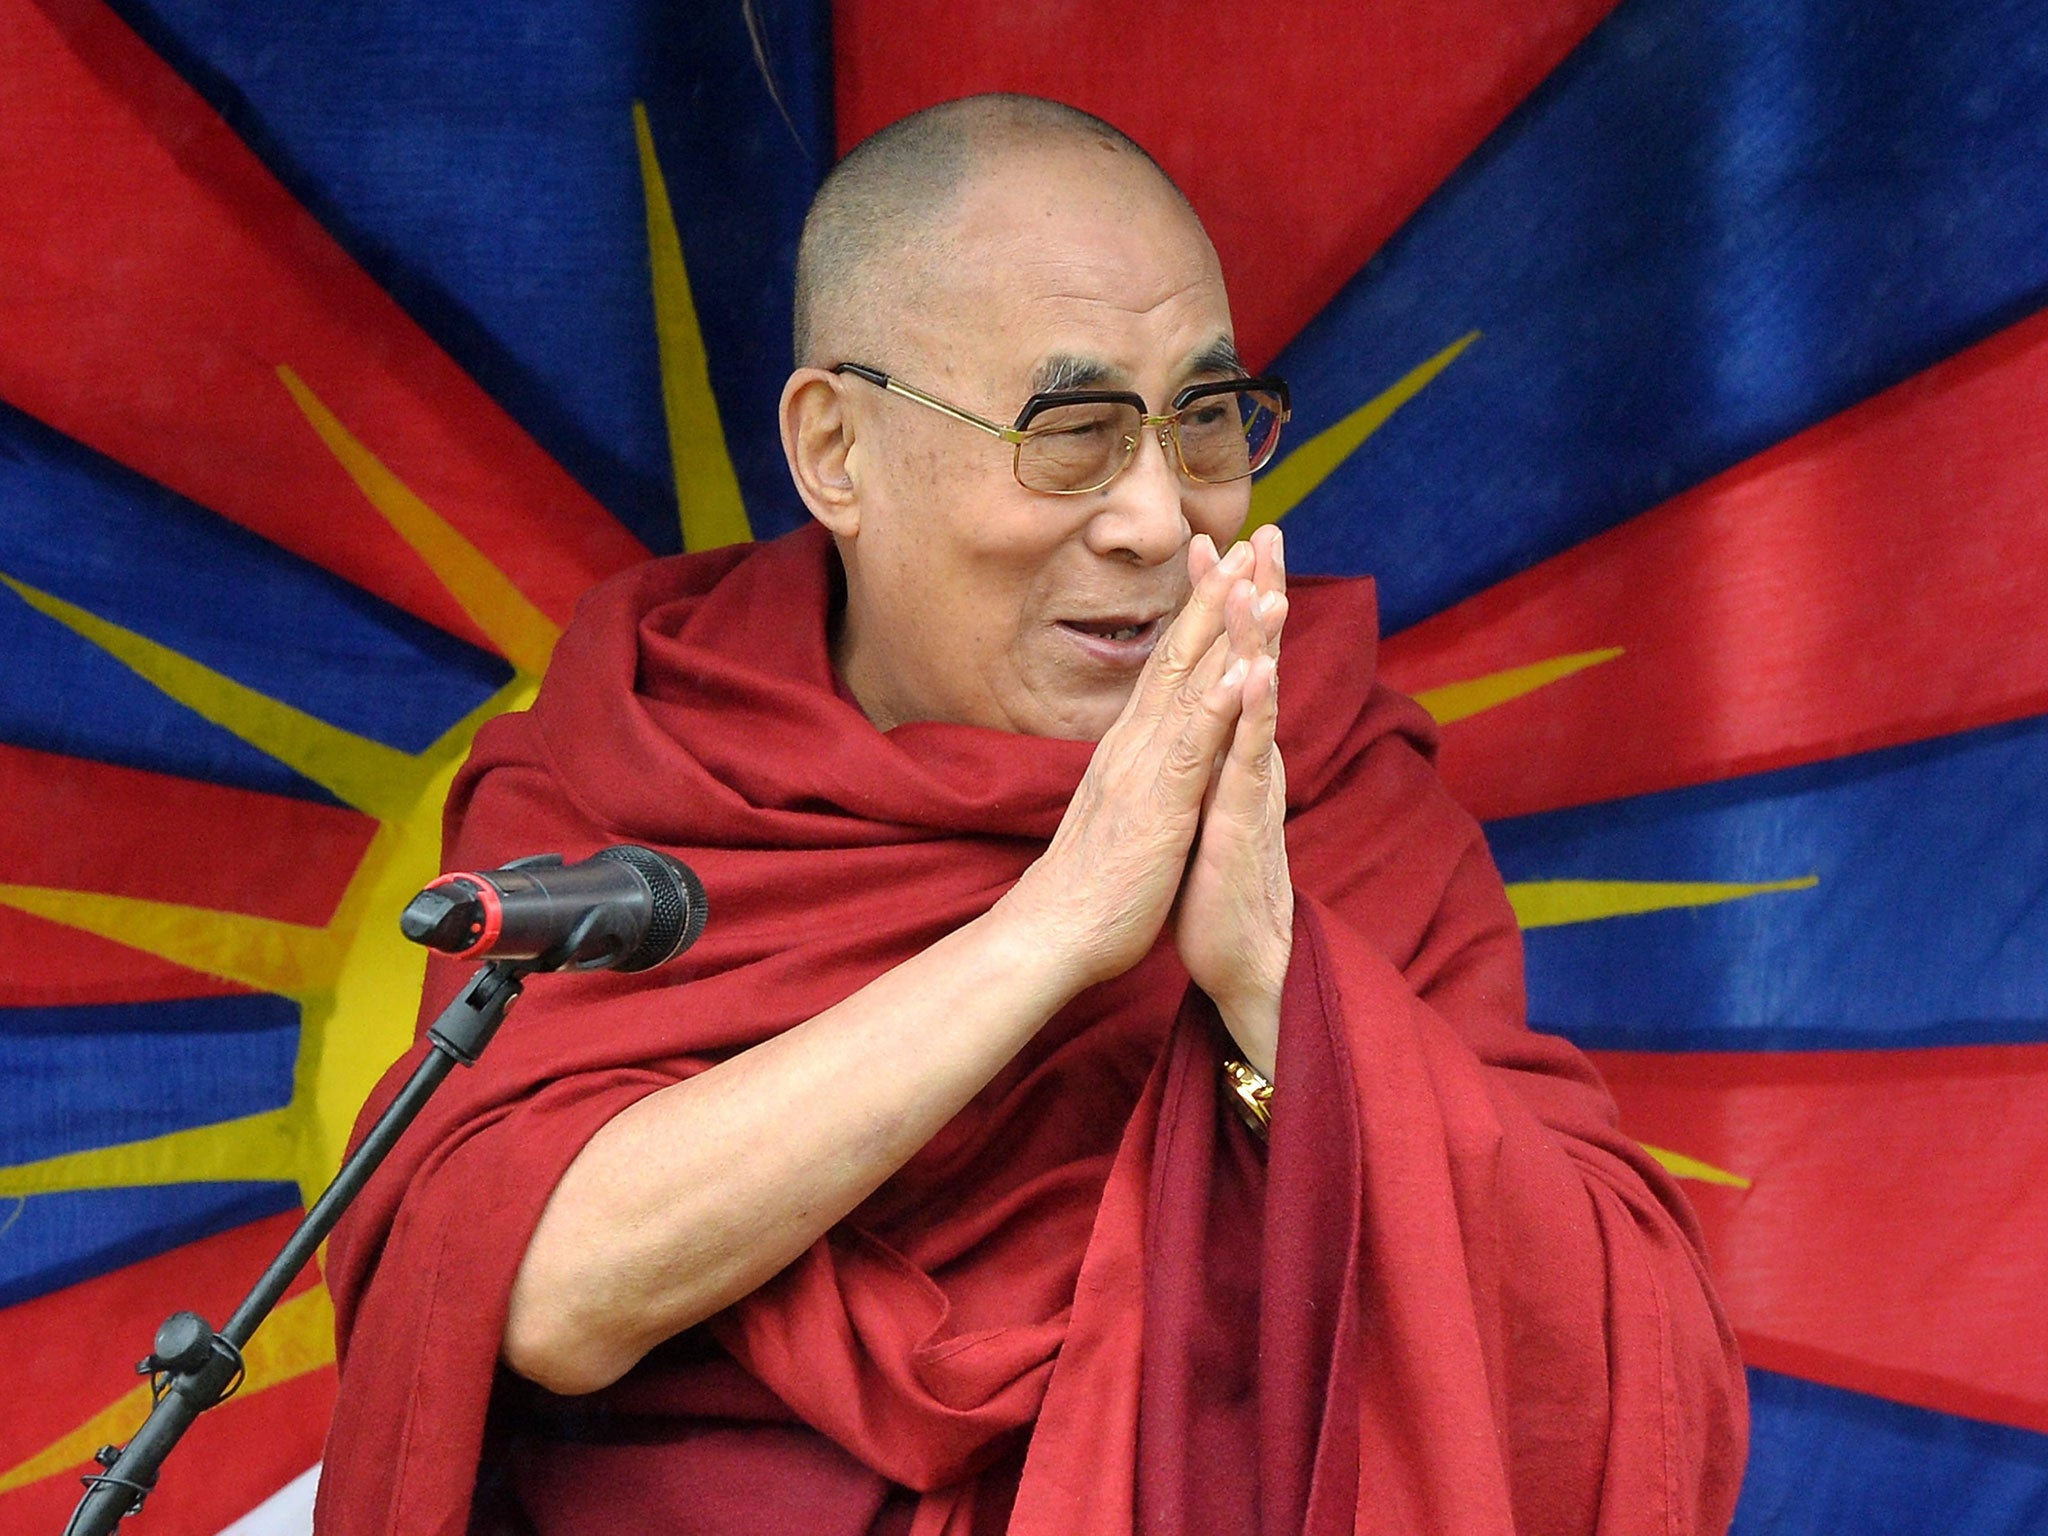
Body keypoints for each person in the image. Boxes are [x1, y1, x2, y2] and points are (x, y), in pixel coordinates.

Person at [317, 95, 1746, 1535]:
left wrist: (1272, 991)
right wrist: (1058, 925)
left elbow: (1619, 1363)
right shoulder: (645, 758)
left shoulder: (1318, 780)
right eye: (1070, 432)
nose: (1154, 516)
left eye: (1202, 420)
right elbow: (543, 1288)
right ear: (835, 454)